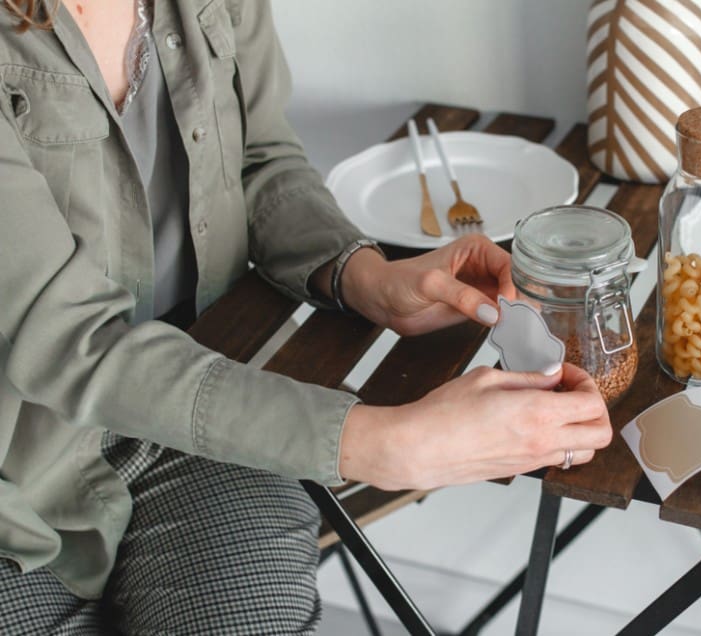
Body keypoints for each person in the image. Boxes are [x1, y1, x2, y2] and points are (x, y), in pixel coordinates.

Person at [0, 0, 612, 633]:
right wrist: (390, 445)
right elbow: (71, 338)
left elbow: (260, 159)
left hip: (208, 415)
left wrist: (367, 277)